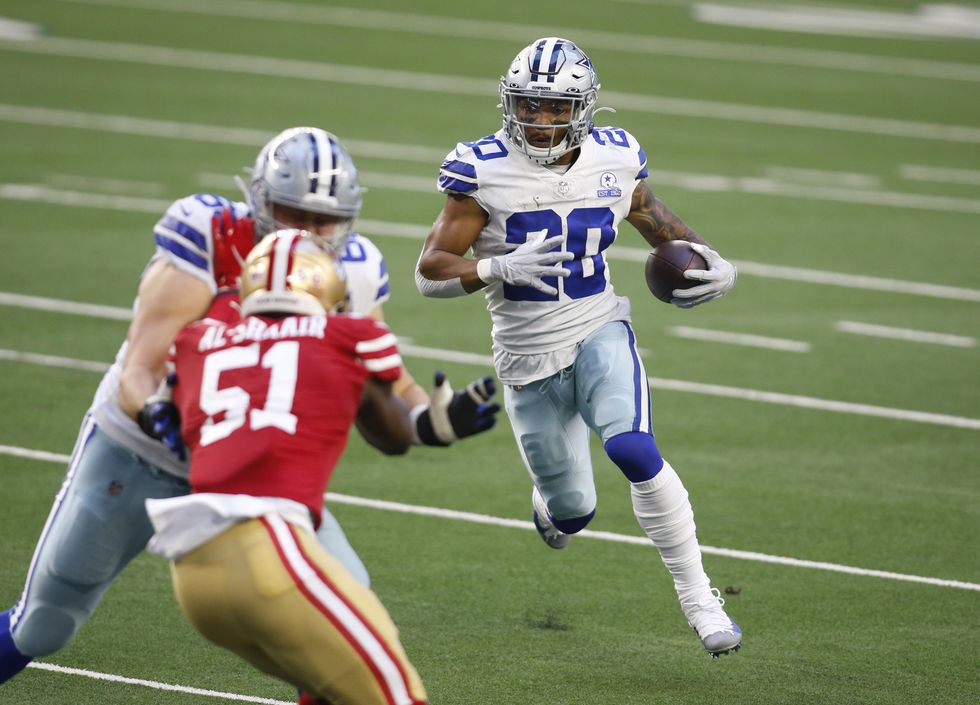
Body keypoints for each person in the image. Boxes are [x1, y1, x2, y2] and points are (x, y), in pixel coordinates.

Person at [0, 127, 499, 682]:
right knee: (44, 624)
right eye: (293, 213)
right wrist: (156, 414)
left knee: (351, 613)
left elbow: (387, 391)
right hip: (141, 450)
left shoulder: (352, 269)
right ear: (261, 201)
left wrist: (436, 422)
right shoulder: (209, 236)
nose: (310, 231)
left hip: (252, 472)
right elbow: (142, 366)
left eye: (324, 219)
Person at [415, 37, 741, 657]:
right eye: (529, 106)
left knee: (634, 448)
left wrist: (710, 259)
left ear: (583, 108)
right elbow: (429, 270)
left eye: (554, 108)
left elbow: (652, 218)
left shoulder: (615, 157)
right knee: (573, 511)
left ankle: (700, 598)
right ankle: (553, 509)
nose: (539, 121)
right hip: (526, 357)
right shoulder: (481, 169)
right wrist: (495, 269)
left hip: (597, 326)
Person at [143, 229, 428, 705]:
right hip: (266, 546)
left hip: (193, 570)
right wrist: (439, 422)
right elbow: (395, 436)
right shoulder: (350, 333)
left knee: (330, 689)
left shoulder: (196, 339)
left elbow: (164, 405)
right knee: (398, 695)